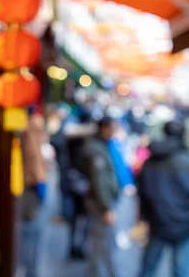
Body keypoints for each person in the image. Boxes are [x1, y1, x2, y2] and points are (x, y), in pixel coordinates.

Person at [137, 120, 189, 277]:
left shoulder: (151, 161)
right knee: (180, 271)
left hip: (158, 222)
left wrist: (144, 218)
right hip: (184, 224)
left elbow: (142, 194)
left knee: (148, 268)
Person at [79, 116, 121, 277]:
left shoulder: (101, 146)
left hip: (99, 201)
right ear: (105, 128)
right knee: (102, 242)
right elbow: (99, 181)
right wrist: (107, 207)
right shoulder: (95, 149)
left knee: (101, 241)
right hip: (99, 203)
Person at [19, 113, 49, 277]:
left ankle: (30, 267)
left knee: (31, 229)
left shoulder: (32, 131)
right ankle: (29, 269)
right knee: (30, 229)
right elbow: (34, 157)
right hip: (30, 184)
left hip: (31, 184)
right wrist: (39, 177)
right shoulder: (32, 132)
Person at [64, 109, 95, 259]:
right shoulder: (78, 135)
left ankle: (78, 245)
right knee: (80, 216)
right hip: (79, 180)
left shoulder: (79, 136)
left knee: (80, 217)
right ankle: (76, 246)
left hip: (79, 180)